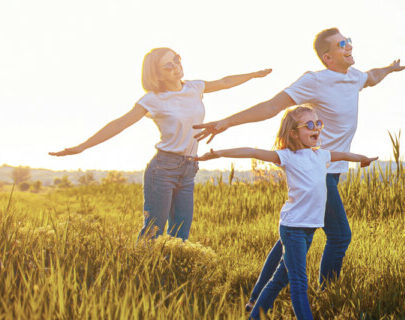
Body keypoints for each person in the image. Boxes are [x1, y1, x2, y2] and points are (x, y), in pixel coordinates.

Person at [194, 27, 405, 303]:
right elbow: (271, 107)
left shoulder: (354, 77)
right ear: (328, 57)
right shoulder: (315, 81)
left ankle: (255, 299)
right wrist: (226, 122)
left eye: (349, 41)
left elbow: (372, 77)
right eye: (342, 44)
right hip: (317, 171)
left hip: (331, 169)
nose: (349, 46)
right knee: (340, 236)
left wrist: (390, 68)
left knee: (292, 236)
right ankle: (327, 297)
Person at [50, 48, 271, 240]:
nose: (176, 66)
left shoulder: (194, 87)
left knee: (180, 234)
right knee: (153, 231)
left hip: (189, 168)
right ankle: (141, 279)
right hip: (163, 169)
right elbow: (121, 123)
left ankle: (170, 278)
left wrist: (253, 75)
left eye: (177, 58)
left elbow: (225, 82)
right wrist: (83, 146)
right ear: (157, 74)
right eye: (168, 65)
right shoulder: (152, 99)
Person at [197, 106, 377, 320]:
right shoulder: (287, 156)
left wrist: (361, 159)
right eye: (309, 125)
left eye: (318, 123)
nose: (316, 128)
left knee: (280, 278)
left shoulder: (320, 154)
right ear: (293, 133)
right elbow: (252, 151)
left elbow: (342, 155)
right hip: (292, 229)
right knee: (299, 281)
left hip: (309, 229)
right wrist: (219, 153)